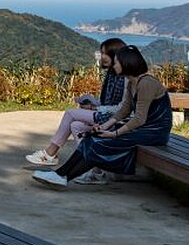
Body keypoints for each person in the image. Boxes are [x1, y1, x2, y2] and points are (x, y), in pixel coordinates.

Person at [33, 45, 172, 189]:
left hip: (154, 133)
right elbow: (124, 110)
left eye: (117, 62)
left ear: (126, 63)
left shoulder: (146, 83)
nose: (115, 65)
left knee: (99, 143)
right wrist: (105, 126)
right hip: (143, 130)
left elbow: (139, 118)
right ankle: (60, 175)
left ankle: (63, 176)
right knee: (91, 139)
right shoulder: (132, 82)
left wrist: (114, 133)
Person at [25, 38, 128, 168]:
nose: (102, 57)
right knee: (76, 126)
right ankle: (92, 166)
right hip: (106, 114)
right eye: (102, 53)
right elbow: (106, 101)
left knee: (70, 113)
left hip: (114, 119)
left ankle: (50, 154)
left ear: (116, 54)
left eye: (105, 53)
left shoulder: (125, 78)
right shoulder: (111, 74)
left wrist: (95, 107)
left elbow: (122, 108)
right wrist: (92, 102)